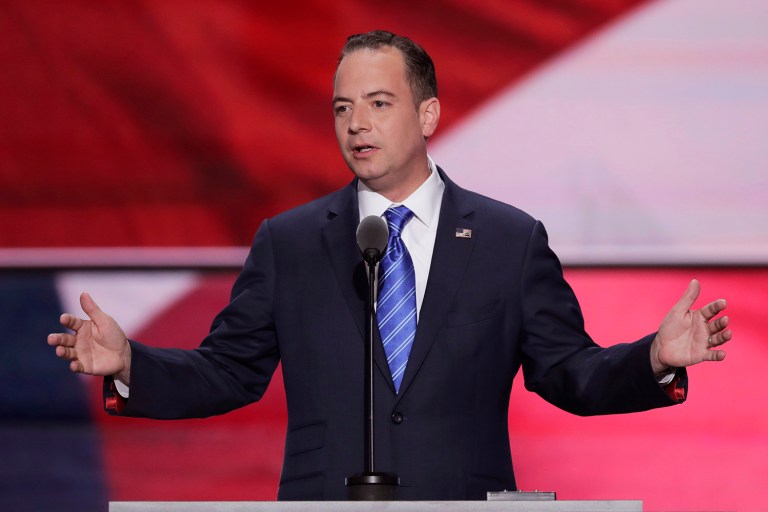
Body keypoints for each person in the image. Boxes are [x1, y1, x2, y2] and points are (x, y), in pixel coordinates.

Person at [48, 30, 732, 501]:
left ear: (428, 114)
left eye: (379, 104)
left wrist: (653, 358)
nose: (357, 125)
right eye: (343, 108)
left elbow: (568, 373)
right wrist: (131, 363)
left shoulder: (509, 240)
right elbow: (228, 372)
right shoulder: (290, 242)